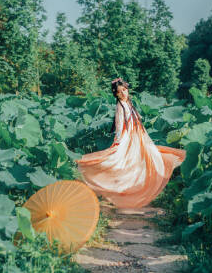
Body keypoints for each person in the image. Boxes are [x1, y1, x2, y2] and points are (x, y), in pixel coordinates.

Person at [75, 78, 186, 208]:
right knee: (118, 161)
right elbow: (119, 123)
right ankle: (114, 186)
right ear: (116, 94)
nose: (123, 93)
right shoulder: (120, 106)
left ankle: (133, 187)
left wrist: (144, 136)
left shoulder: (129, 103)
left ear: (127, 90)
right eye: (119, 92)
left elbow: (137, 122)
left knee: (148, 158)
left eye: (124, 90)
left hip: (137, 137)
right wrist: (119, 140)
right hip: (127, 138)